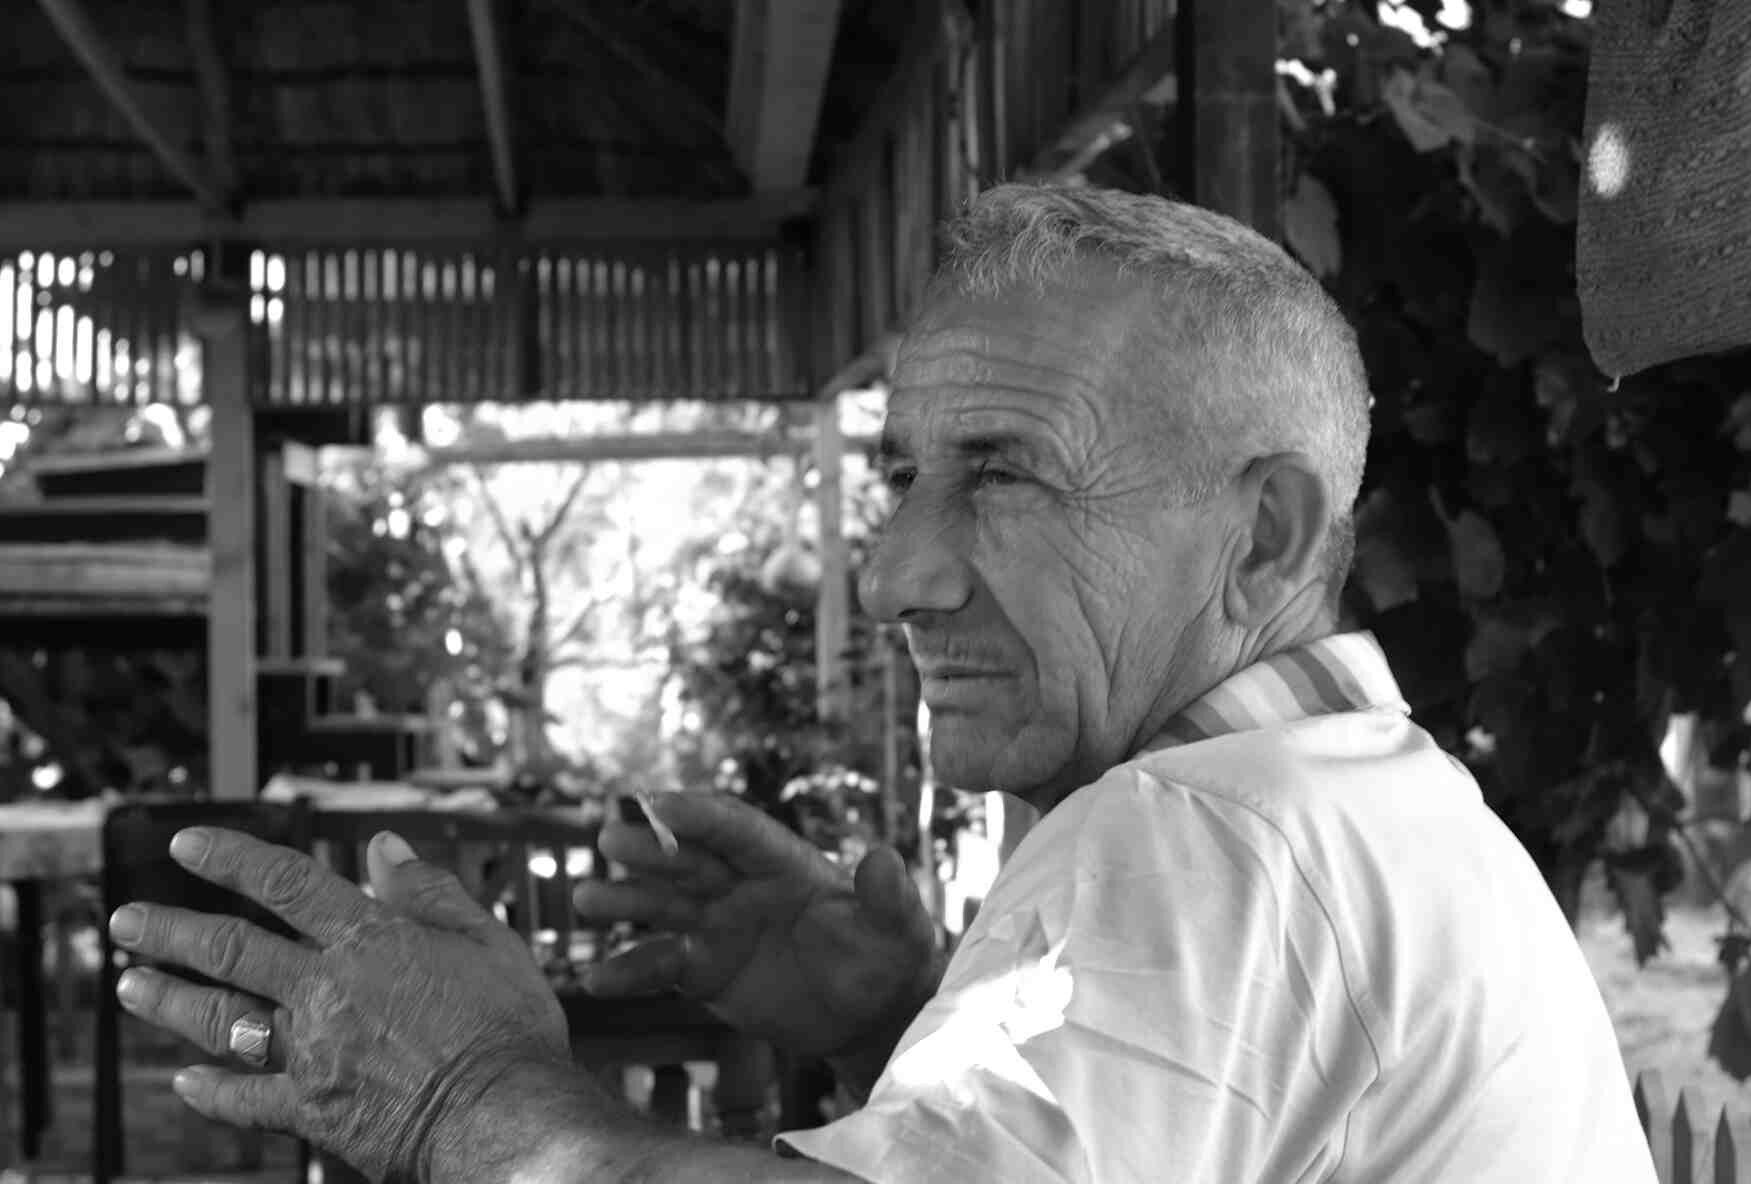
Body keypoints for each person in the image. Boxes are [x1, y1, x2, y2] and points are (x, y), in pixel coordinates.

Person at [109, 184, 1655, 1182]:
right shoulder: (1364, 809)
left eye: (1005, 474)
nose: (898, 573)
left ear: (1263, 537)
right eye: (908, 473)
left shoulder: (1207, 831)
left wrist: (465, 1096)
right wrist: (903, 1024)